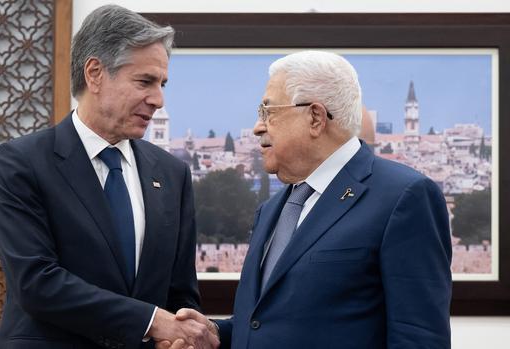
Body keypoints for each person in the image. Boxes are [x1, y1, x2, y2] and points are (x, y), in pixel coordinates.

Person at [161, 50, 452, 348]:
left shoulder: (403, 197)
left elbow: (419, 337)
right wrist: (215, 335)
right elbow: (266, 323)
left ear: (315, 117)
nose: (258, 126)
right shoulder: (273, 209)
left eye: (268, 112)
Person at [0, 5, 219, 349]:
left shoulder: (172, 174)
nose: (158, 99)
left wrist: (182, 336)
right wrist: (151, 321)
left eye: (162, 83)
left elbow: (181, 292)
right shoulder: (22, 162)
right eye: (145, 81)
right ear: (95, 73)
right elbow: (35, 283)